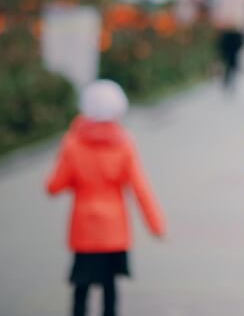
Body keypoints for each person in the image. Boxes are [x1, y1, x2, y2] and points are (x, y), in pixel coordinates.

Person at [46, 79, 165, 316]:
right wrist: (155, 224)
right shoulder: (123, 144)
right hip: (114, 232)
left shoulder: (72, 143)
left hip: (84, 231)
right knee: (110, 287)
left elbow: (54, 186)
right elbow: (139, 187)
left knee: (81, 286)